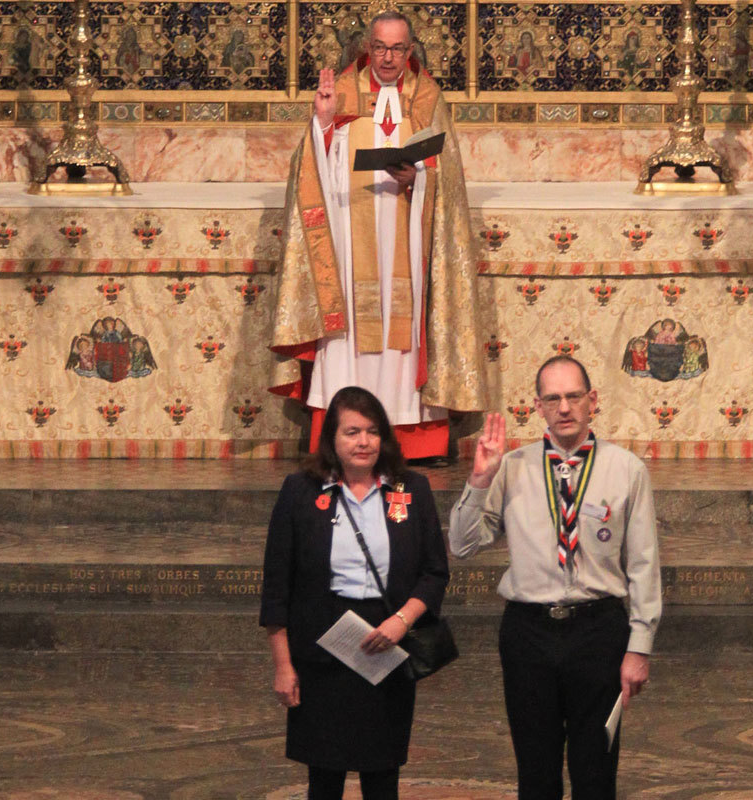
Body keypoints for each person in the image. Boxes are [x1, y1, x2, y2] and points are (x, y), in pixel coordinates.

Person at [271, 10, 486, 460]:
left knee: (401, 328)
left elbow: (448, 177)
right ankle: (341, 434)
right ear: (367, 46)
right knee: (350, 332)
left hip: (408, 235)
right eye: (381, 47)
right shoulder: (342, 90)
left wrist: (418, 178)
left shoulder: (427, 96)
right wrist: (324, 124)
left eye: (399, 48)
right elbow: (310, 171)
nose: (389, 57)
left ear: (411, 49)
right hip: (351, 238)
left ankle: (410, 437)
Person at [449, 355, 661, 800]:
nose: (564, 407)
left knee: (596, 770)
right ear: (537, 406)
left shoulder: (626, 469)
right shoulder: (511, 467)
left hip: (598, 630)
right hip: (529, 632)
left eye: (573, 396)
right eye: (552, 398)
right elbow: (462, 545)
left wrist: (638, 646)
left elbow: (643, 564)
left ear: (592, 401)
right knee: (536, 771)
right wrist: (479, 478)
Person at [261, 385, 450, 800]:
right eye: (351, 432)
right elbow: (277, 586)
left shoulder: (411, 489)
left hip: (386, 649)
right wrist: (283, 665)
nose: (363, 441)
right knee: (324, 780)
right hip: (321, 655)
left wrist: (401, 622)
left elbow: (434, 572)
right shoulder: (300, 491)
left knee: (382, 778)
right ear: (331, 438)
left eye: (371, 431)